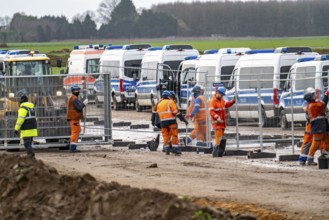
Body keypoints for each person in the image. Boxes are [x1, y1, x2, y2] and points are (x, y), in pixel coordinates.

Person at [156, 90, 188, 155]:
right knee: (174, 135)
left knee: (165, 136)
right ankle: (175, 149)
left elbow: (158, 114)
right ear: (168, 96)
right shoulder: (170, 102)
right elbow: (176, 112)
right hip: (171, 122)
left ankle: (167, 149)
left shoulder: (159, 104)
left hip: (163, 123)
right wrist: (183, 120)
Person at [304, 87, 329, 165]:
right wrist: (326, 95)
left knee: (327, 140)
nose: (315, 96)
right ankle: (310, 160)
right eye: (313, 94)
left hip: (321, 126)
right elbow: (323, 104)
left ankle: (325, 154)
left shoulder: (311, 104)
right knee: (315, 143)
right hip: (318, 127)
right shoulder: (313, 105)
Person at [209, 87, 235, 155]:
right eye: (221, 95)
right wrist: (217, 118)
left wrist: (233, 101)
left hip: (222, 123)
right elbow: (211, 112)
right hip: (217, 123)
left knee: (221, 137)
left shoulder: (222, 100)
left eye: (223, 95)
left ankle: (220, 152)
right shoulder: (212, 101)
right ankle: (216, 152)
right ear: (217, 93)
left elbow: (226, 105)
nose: (222, 96)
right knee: (218, 137)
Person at [66, 85, 88, 152]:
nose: (77, 91)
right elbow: (79, 107)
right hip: (74, 118)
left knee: (77, 131)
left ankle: (72, 146)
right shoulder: (74, 98)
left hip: (74, 118)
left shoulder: (72, 97)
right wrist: (84, 104)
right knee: (75, 132)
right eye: (76, 90)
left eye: (78, 90)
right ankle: (72, 148)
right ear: (73, 91)